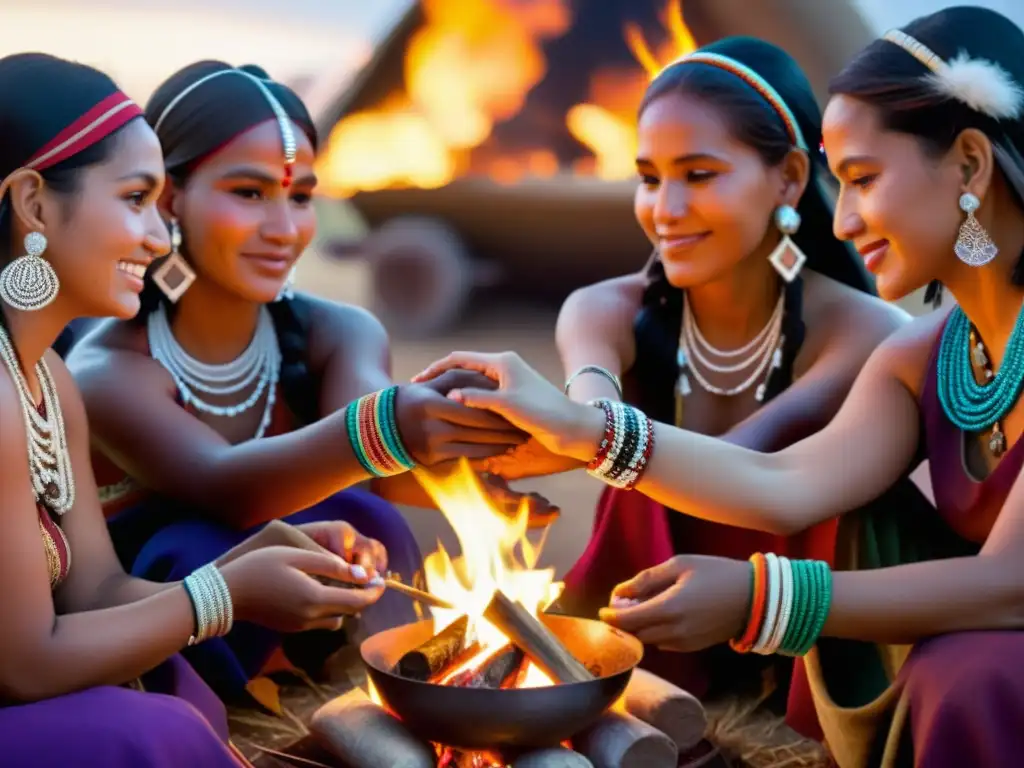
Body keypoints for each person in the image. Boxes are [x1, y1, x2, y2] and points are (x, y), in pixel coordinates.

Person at [414, 7, 1024, 765]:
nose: (842, 221)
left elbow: (1012, 582)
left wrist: (758, 598)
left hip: (979, 647)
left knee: (971, 675)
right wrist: (580, 429)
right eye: (649, 178)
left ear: (969, 165)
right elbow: (783, 484)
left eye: (864, 179)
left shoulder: (874, 334)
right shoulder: (927, 356)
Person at [65, 60, 546, 701]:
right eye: (250, 192)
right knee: (194, 544)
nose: (285, 230)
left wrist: (492, 453)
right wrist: (394, 423)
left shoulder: (338, 331)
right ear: (170, 199)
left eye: (299, 196)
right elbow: (228, 488)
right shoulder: (107, 368)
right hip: (170, 621)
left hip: (309, 609)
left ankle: (385, 693)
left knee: (359, 513)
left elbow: (383, 464)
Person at [482, 36, 913, 702]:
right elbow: (592, 401)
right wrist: (520, 443)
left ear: (790, 178)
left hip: (807, 638)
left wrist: (582, 439)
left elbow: (747, 460)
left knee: (644, 470)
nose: (666, 210)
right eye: (650, 178)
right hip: (650, 613)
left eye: (699, 174)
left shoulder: (865, 328)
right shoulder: (602, 310)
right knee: (632, 475)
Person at [0, 52, 398, 768]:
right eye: (134, 200)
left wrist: (250, 568)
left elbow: (94, 590)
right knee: (156, 732)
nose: (157, 238)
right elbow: (26, 667)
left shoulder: (47, 380)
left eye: (300, 196)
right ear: (33, 203)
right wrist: (223, 592)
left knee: (181, 689)